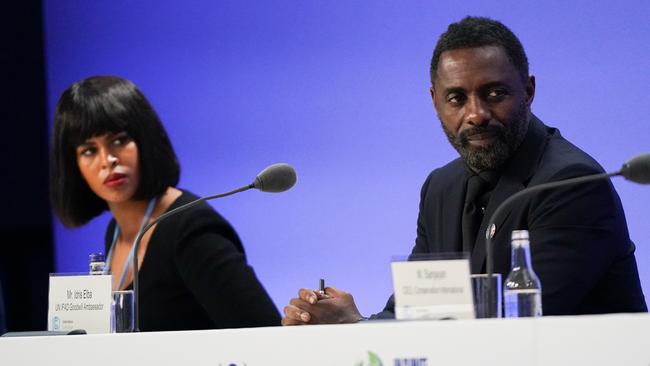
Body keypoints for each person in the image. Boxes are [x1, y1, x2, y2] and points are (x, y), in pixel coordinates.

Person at [282, 16, 647, 325]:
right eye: (457, 98)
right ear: (435, 102)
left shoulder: (570, 184)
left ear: (529, 90)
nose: (475, 115)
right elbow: (416, 313)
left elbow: (522, 328)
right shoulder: (442, 187)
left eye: (494, 93)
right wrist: (354, 325)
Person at [51, 76, 281, 331]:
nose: (107, 160)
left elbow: (264, 334)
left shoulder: (191, 229)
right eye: (89, 150)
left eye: (119, 140)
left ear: (145, 141)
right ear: (75, 167)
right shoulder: (115, 232)